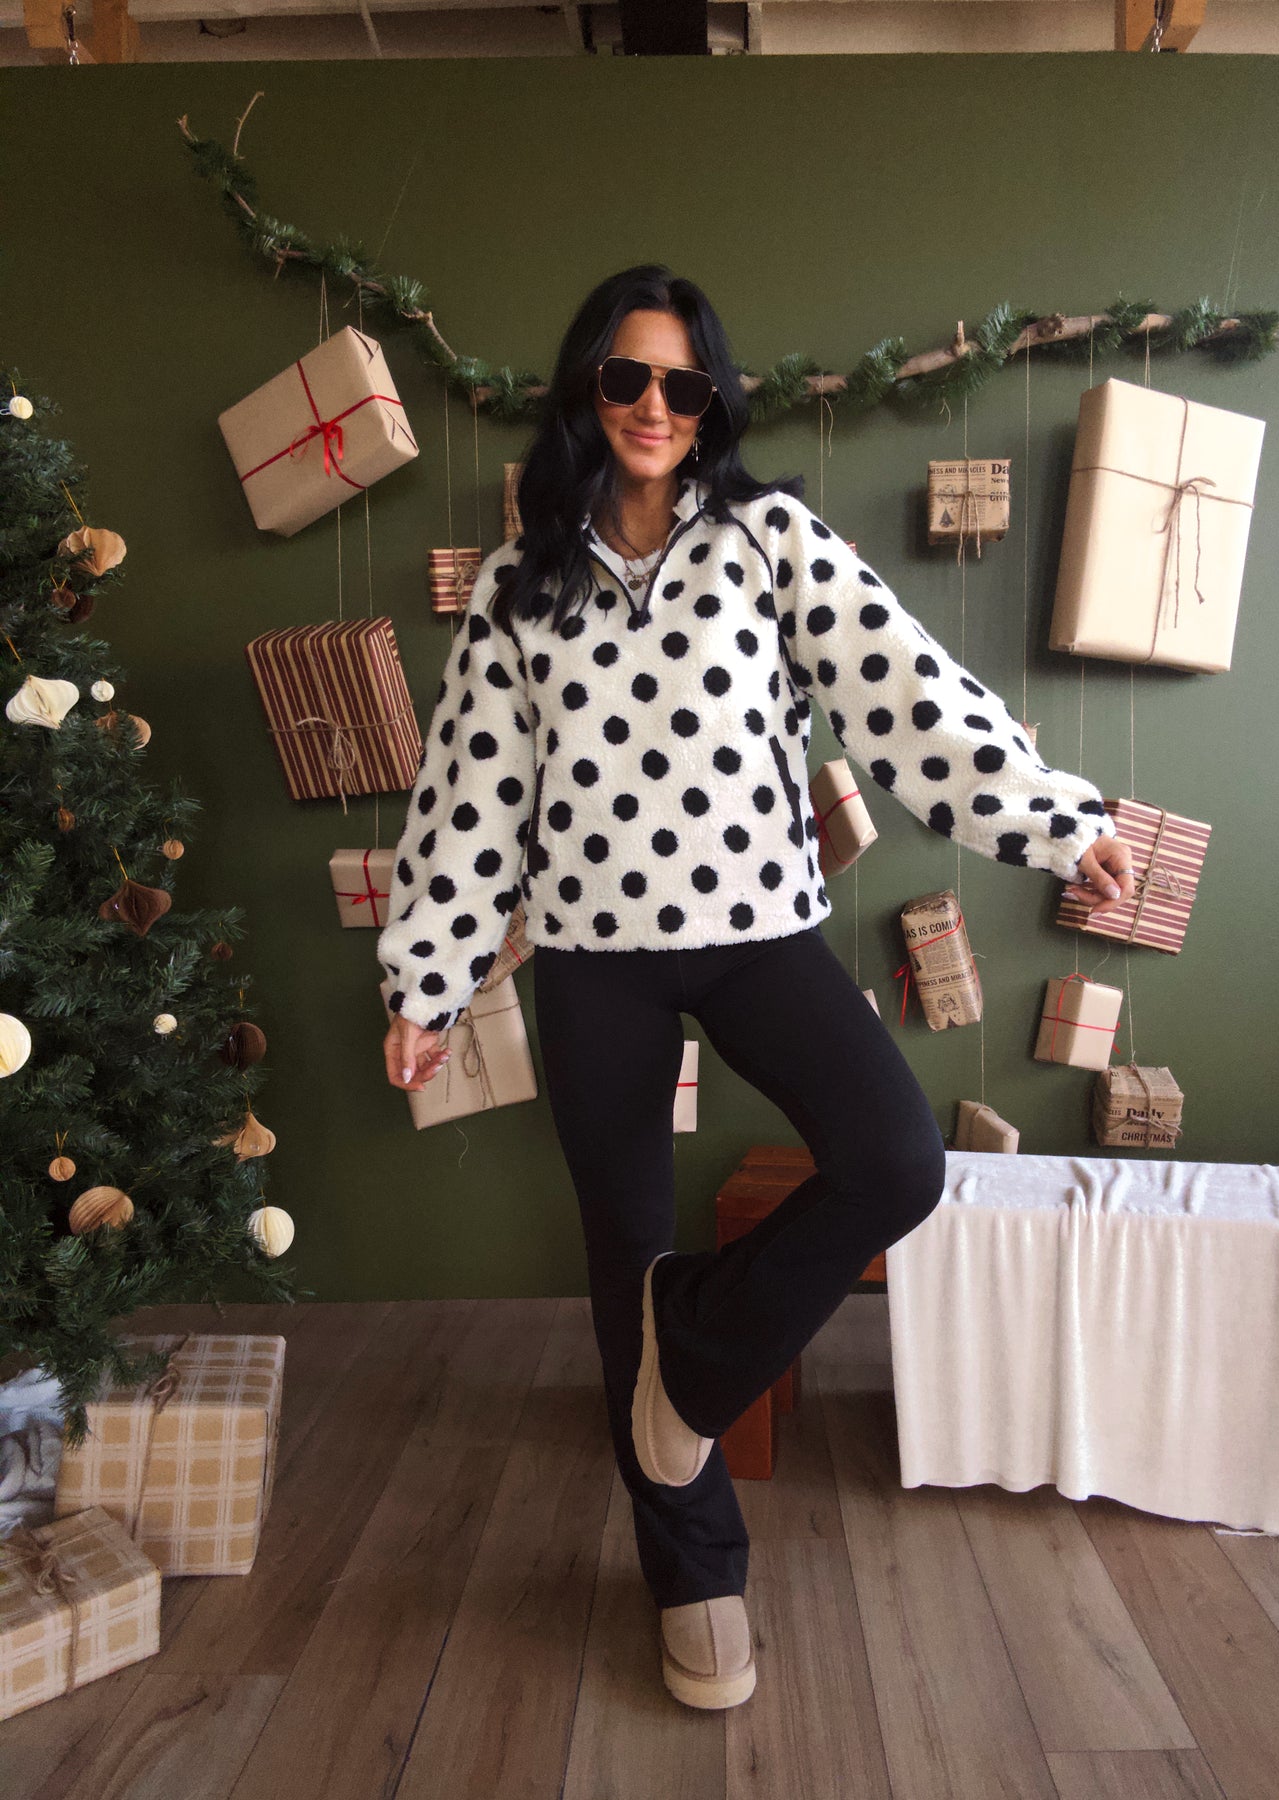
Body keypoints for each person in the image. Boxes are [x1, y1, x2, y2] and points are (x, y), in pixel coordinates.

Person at [378, 264, 1134, 1710]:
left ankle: (693, 1357)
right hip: (590, 957)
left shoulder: (768, 541)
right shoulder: (519, 584)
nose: (654, 406)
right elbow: (472, 795)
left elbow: (910, 696)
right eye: (627, 377)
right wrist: (428, 976)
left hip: (757, 932)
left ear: (711, 399)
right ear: (588, 392)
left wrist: (1058, 821)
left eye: (683, 383)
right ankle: (695, 1577)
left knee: (895, 1160)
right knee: (625, 1256)